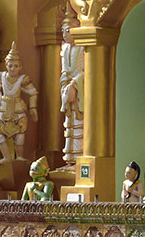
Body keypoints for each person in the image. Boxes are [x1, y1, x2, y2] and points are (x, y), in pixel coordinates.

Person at [0, 42, 38, 164]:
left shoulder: (23, 79)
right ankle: (7, 157)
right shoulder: (1, 76)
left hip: (18, 108)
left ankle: (19, 156)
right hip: (3, 108)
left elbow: (33, 92)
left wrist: (33, 107)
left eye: (16, 66)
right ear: (6, 65)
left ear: (20, 67)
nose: (13, 68)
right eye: (10, 66)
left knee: (20, 133)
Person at [59, 7, 85, 170]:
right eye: (63, 31)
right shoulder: (64, 48)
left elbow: (86, 71)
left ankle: (80, 156)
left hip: (80, 88)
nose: (65, 34)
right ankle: (70, 159)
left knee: (80, 125)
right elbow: (64, 70)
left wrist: (75, 83)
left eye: (68, 30)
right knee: (69, 124)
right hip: (68, 86)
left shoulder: (82, 48)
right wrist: (64, 82)